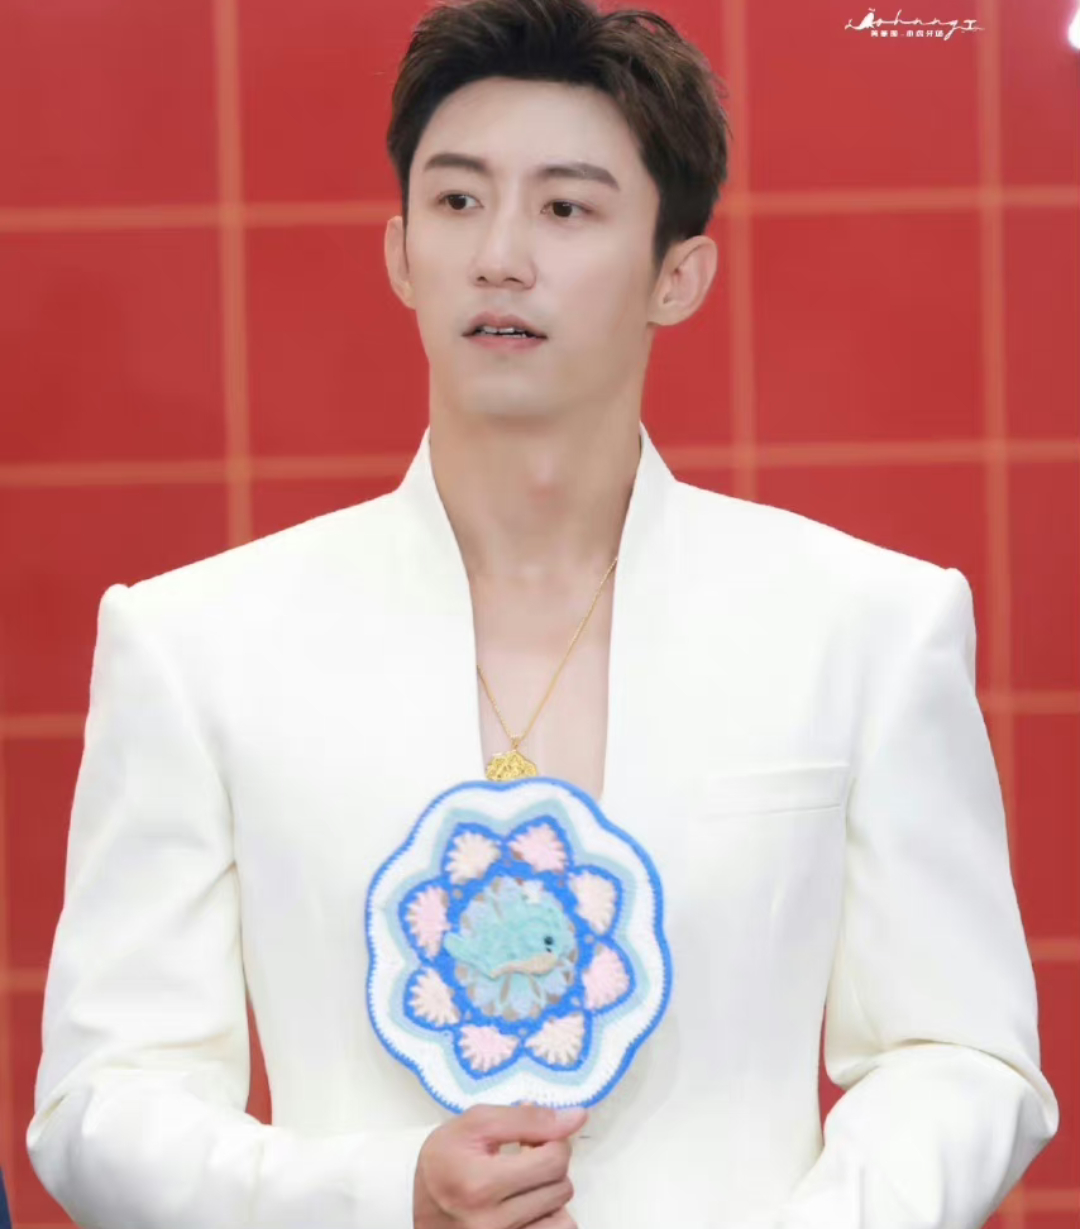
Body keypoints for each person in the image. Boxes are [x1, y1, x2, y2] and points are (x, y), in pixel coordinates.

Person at [27, 0, 1058, 1226]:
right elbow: (103, 1101)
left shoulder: (867, 626)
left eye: (565, 209)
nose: (500, 255)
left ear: (678, 275)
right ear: (400, 251)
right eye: (459, 200)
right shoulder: (198, 643)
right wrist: (380, 1192)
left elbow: (961, 1055)